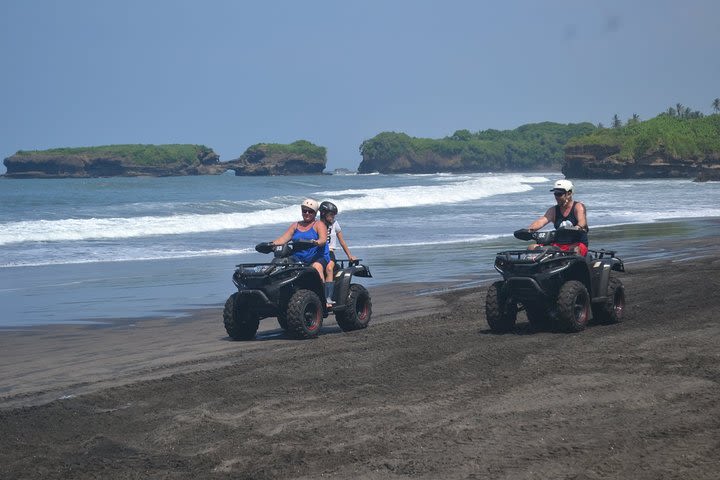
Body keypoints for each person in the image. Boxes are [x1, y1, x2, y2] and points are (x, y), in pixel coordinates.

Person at [270, 198, 328, 281]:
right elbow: (282, 240)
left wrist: (315, 242)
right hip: (297, 258)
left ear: (315, 213)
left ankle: (322, 291)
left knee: (317, 267)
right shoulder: (296, 225)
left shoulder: (319, 224)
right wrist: (270, 245)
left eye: (310, 211)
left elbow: (323, 240)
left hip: (317, 257)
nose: (307, 213)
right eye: (304, 211)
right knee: (279, 264)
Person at [527, 179, 589, 255]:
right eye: (555, 193)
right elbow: (541, 221)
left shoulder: (578, 207)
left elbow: (582, 222)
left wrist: (577, 227)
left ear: (569, 194)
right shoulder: (553, 210)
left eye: (559, 194)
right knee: (532, 247)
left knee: (574, 250)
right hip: (558, 245)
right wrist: (529, 230)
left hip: (577, 244)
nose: (556, 197)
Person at [318, 201, 357, 307]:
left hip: (329, 252)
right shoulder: (317, 224)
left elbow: (342, 241)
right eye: (331, 214)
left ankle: (328, 298)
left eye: (334, 215)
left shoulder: (335, 224)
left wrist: (349, 255)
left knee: (329, 268)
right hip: (318, 252)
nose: (333, 217)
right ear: (323, 213)